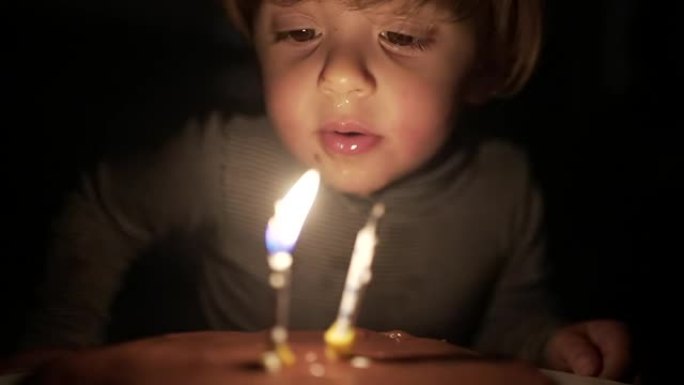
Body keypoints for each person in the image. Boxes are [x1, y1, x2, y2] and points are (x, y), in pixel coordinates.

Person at [9, 0, 631, 382]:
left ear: (486, 64)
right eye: (300, 33)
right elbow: (106, 211)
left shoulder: (505, 187)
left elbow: (508, 317)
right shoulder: (221, 158)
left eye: (403, 36)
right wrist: (64, 337)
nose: (338, 75)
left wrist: (551, 343)